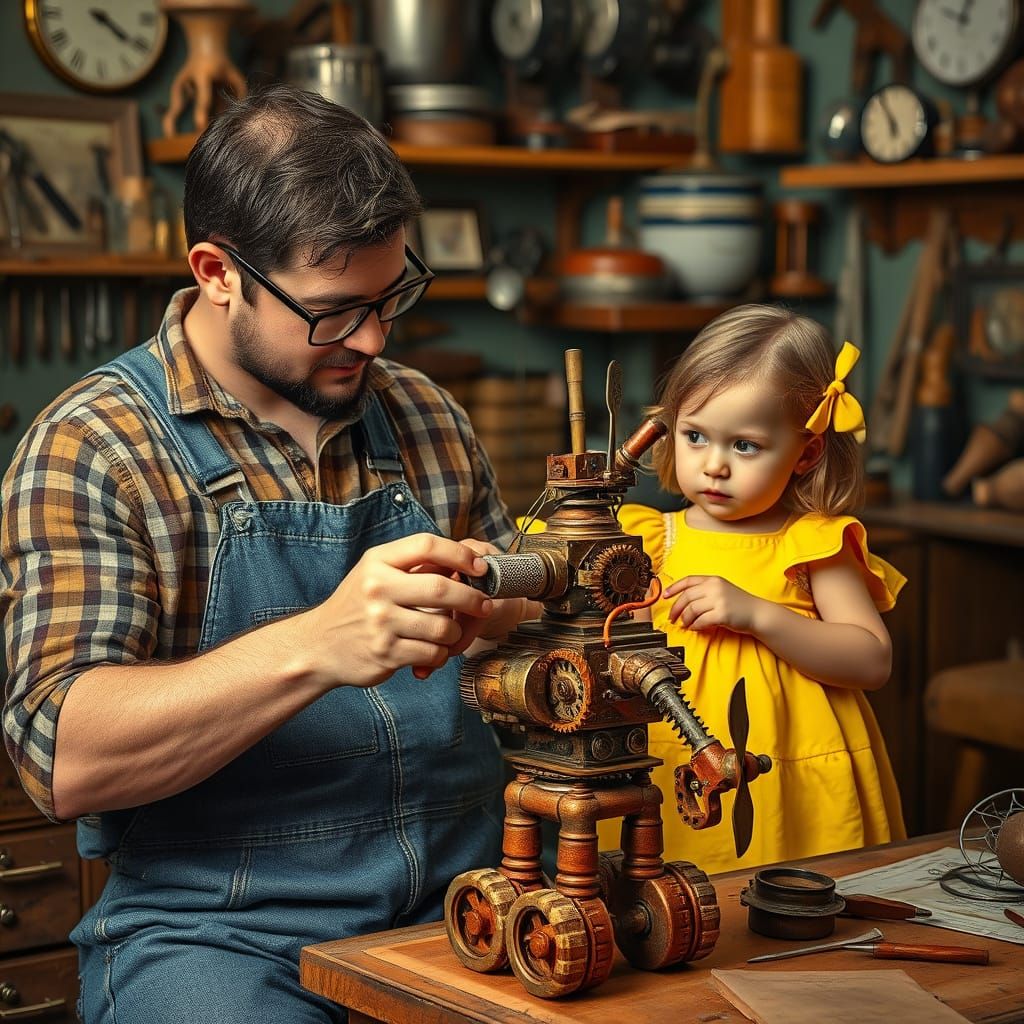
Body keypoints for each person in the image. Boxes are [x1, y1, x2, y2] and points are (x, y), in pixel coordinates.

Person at [1, 85, 537, 1023]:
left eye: (390, 297)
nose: (371, 339)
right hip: (223, 936)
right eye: (333, 312)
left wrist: (514, 617)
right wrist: (316, 644)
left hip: (470, 910)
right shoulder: (95, 445)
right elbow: (63, 755)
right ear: (217, 271)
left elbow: (516, 633)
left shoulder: (425, 415)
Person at [599, 304, 907, 875]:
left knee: (795, 909)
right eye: (695, 436)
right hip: (676, 766)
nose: (713, 466)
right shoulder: (648, 540)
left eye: (744, 446)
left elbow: (872, 659)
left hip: (795, 773)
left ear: (806, 452)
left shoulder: (812, 543)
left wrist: (758, 614)